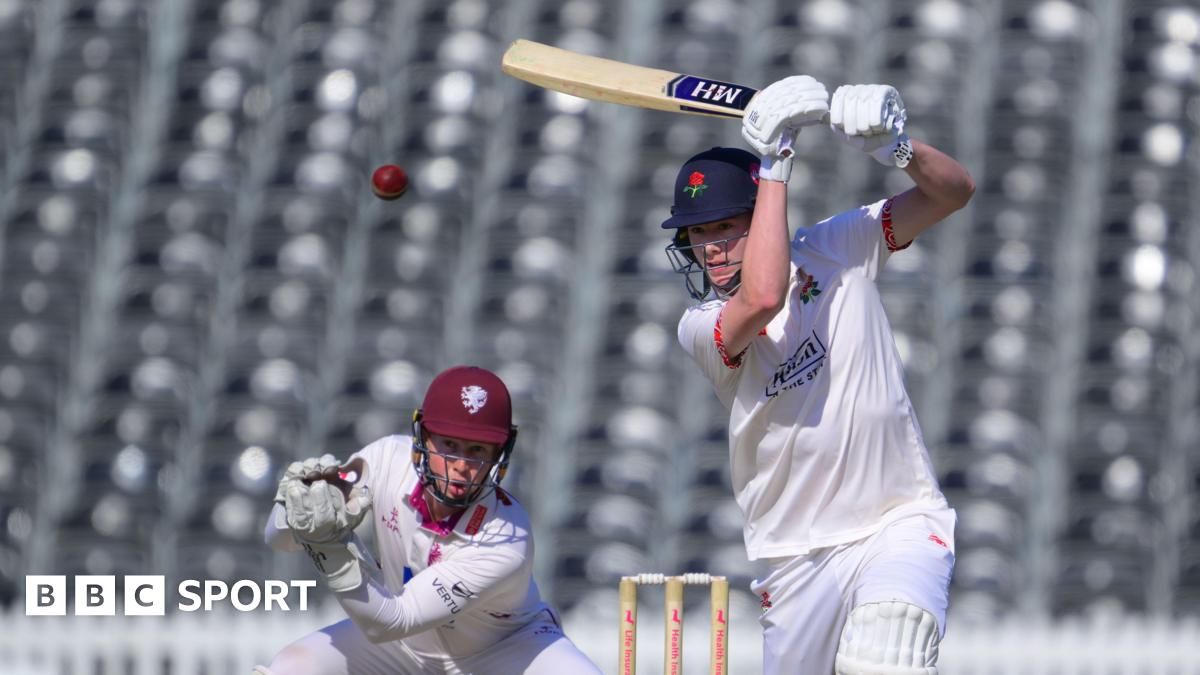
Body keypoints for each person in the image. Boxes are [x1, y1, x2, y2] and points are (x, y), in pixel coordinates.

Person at [663, 76, 975, 674]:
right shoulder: (701, 325)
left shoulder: (837, 245)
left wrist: (897, 149)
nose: (712, 247)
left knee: (888, 654)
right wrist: (775, 160)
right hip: (794, 552)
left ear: (763, 217)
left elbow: (953, 194)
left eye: (726, 224)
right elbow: (762, 295)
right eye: (699, 234)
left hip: (897, 521)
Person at [254, 365, 600, 675]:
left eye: (477, 450)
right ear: (422, 439)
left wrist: (330, 548)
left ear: (499, 455)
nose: (461, 465)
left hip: (506, 651)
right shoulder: (387, 458)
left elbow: (390, 622)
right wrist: (294, 510)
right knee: (292, 666)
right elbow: (278, 541)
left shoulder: (507, 537)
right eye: (449, 444)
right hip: (404, 648)